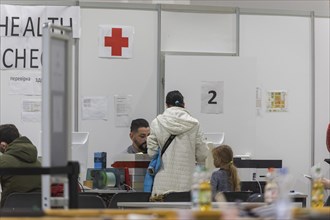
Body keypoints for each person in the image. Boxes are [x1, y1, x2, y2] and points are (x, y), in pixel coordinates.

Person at [147, 90, 208, 198]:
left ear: (166, 105)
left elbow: (152, 152)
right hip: (187, 184)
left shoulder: (156, 122)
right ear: (183, 104)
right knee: (184, 215)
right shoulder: (194, 124)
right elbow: (202, 154)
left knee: (163, 214)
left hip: (162, 185)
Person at [0, 124, 41, 207]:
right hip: (36, 212)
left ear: (3, 145)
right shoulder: (38, 163)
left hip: (10, 214)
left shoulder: (2, 161)